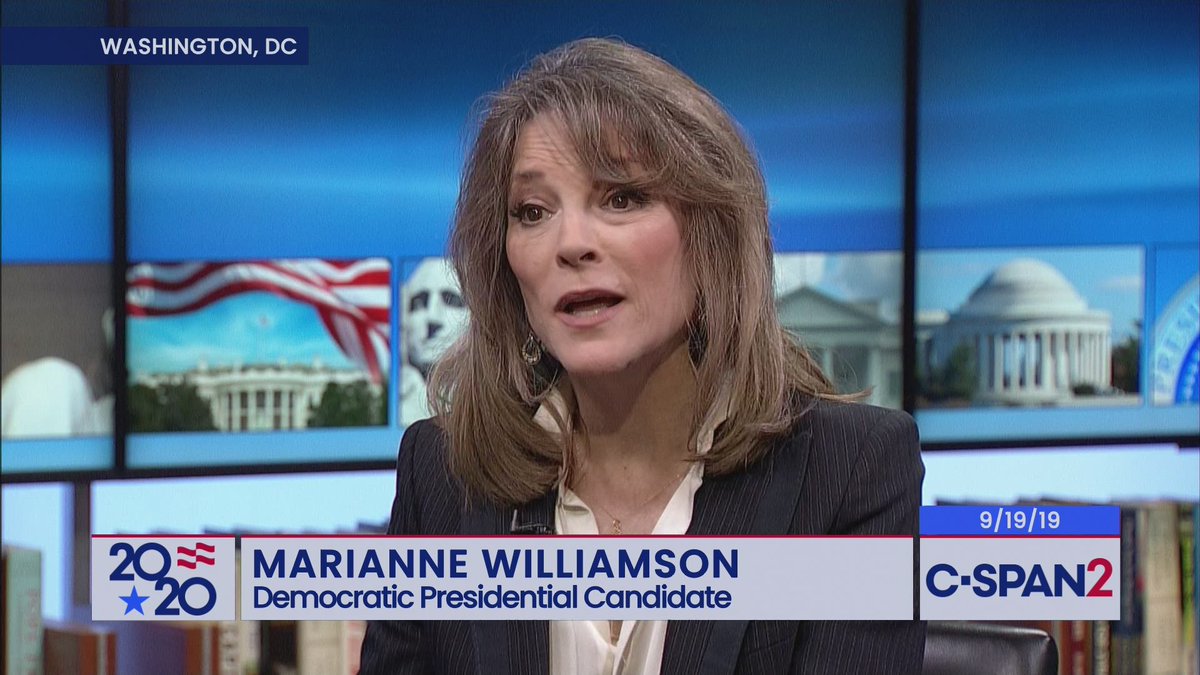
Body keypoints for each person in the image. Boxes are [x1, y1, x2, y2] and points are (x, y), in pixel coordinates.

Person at [361, 37, 925, 674]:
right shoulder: (444, 473)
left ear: (710, 234)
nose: (571, 243)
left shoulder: (850, 470)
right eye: (533, 211)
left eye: (621, 198)